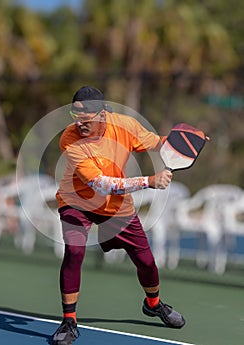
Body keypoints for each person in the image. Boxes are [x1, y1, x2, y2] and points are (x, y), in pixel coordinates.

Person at [52, 86, 185, 345]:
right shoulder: (69, 139)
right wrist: (149, 180)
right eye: (75, 116)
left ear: (102, 115)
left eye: (85, 118)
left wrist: (187, 142)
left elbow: (158, 142)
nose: (79, 123)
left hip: (116, 207)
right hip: (76, 202)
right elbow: (99, 184)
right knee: (75, 251)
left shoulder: (125, 126)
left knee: (145, 261)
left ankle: (153, 304)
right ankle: (69, 321)